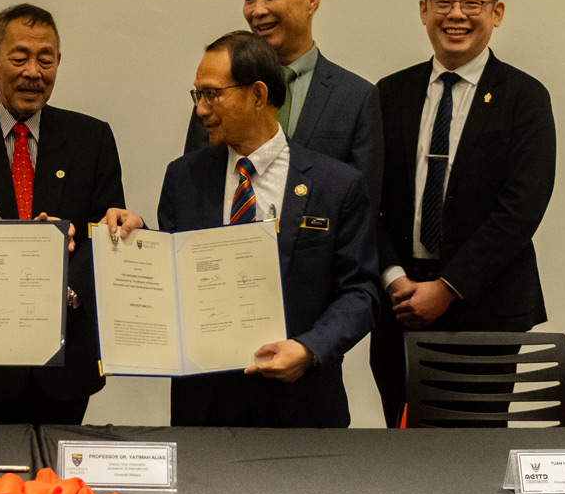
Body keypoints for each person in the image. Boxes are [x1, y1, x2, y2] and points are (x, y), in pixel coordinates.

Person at [106, 31, 380, 427]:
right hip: (204, 406)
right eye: (197, 95)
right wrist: (138, 238)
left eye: (212, 94)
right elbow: (174, 273)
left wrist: (309, 349)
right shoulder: (184, 177)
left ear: (257, 94)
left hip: (301, 404)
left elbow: (361, 292)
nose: (201, 109)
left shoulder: (335, 184)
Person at [370, 0, 557, 427]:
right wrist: (395, 278)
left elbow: (521, 208)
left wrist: (449, 288)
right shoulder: (389, 94)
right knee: (403, 447)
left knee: (473, 454)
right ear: (423, 9)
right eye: (444, 2)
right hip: (401, 304)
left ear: (496, 13)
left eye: (472, 3)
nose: (456, 15)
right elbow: (368, 201)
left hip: (487, 308)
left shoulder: (524, 98)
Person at [0, 4, 124, 424]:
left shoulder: (91, 137)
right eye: (19, 57)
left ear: (58, 64)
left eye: (46, 59)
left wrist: (68, 280)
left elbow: (106, 234)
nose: (33, 71)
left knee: (57, 484)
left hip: (64, 363)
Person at [185, 0, 381, 204]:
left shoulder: (355, 98)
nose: (257, 11)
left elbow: (361, 205)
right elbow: (191, 185)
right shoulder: (217, 91)